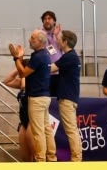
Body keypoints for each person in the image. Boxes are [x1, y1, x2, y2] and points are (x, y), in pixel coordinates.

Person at [9, 30, 56, 162]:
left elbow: (23, 73)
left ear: (40, 41)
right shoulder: (45, 55)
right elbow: (28, 71)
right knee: (46, 129)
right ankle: (51, 157)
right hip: (45, 96)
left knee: (38, 130)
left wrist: (16, 59)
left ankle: (41, 158)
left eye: (32, 38)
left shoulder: (39, 56)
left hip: (36, 98)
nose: (29, 40)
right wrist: (21, 59)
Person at [53, 30, 81, 162]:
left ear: (65, 42)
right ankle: (77, 158)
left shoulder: (69, 57)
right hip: (69, 97)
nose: (57, 41)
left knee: (71, 130)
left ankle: (76, 159)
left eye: (59, 39)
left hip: (67, 98)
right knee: (71, 129)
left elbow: (50, 68)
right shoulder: (70, 56)